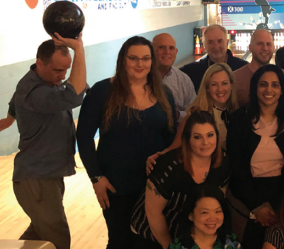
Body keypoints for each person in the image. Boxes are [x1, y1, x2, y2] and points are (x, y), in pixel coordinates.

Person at [76, 36, 176, 248]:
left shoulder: (164, 93)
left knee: (151, 242)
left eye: (146, 58)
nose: (140, 64)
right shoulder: (102, 91)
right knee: (121, 241)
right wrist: (96, 177)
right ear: (123, 60)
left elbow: (171, 136)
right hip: (115, 185)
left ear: (152, 61)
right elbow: (84, 137)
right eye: (134, 58)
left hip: (155, 185)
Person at [0, 34, 86, 249]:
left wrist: (10, 119)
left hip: (46, 176)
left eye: (66, 70)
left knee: (38, 237)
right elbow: (73, 96)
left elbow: (14, 101)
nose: (63, 75)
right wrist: (79, 49)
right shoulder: (36, 91)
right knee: (57, 240)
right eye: (58, 70)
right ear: (40, 63)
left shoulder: (37, 81)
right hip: (37, 180)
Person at [226, 64, 284, 248]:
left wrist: (281, 205)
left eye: (275, 85)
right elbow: (236, 167)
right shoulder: (240, 119)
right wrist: (256, 207)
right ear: (255, 88)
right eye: (263, 84)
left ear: (281, 90)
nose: (268, 89)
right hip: (248, 196)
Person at [131, 111, 230, 249]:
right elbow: (153, 213)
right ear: (187, 140)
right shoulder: (168, 166)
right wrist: (169, 246)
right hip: (152, 234)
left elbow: (218, 203)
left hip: (187, 235)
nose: (206, 142)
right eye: (197, 137)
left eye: (210, 135)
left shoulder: (223, 163)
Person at [146, 63, 239, 174]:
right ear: (207, 88)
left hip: (230, 174)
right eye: (214, 84)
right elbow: (174, 148)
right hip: (204, 175)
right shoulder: (194, 116)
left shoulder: (237, 113)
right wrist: (157, 158)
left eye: (224, 83)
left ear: (231, 85)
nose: (220, 89)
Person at [168, 185, 240, 249]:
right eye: (205, 212)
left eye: (217, 211)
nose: (212, 218)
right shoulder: (178, 246)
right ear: (190, 215)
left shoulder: (232, 243)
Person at [180, 25, 248, 92]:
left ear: (227, 42)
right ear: (204, 45)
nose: (216, 46)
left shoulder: (243, 68)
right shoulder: (192, 71)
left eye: (220, 41)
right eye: (210, 42)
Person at [152, 33, 197, 122]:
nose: (167, 52)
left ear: (176, 52)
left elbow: (193, 112)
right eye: (161, 47)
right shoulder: (141, 77)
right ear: (151, 50)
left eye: (171, 48)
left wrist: (176, 115)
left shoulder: (184, 80)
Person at [233, 29, 280, 107]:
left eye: (268, 44)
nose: (265, 48)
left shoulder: (282, 76)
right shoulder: (235, 78)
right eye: (259, 44)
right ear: (250, 48)